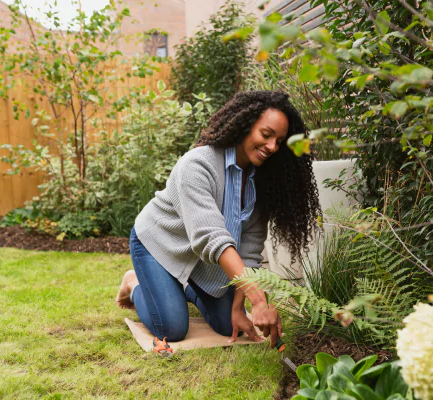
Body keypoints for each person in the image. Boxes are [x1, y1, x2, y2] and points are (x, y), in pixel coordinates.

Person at [116, 90, 322, 355]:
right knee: (172, 327)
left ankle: (184, 287)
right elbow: (211, 238)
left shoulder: (263, 180)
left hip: (203, 260)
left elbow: (248, 248)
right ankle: (134, 285)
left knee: (229, 325)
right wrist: (258, 300)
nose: (272, 147)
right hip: (159, 244)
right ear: (245, 126)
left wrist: (239, 307)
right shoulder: (197, 165)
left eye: (279, 141)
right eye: (266, 134)